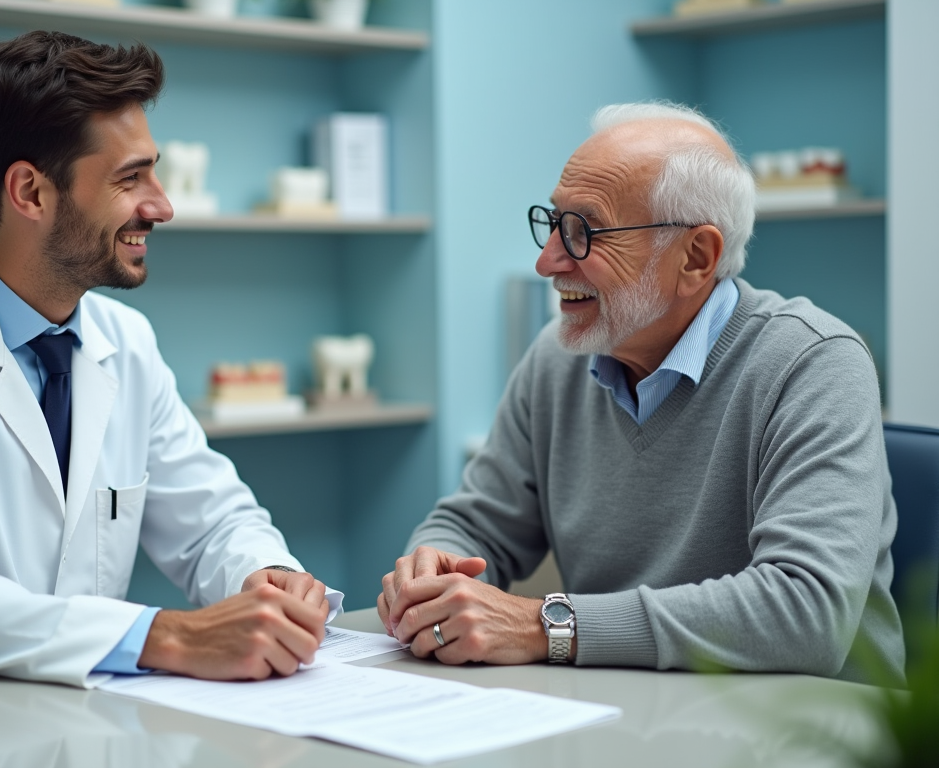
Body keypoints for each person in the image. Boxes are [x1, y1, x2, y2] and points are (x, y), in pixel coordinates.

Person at [0, 31, 339, 692]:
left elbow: (214, 523)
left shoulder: (126, 342)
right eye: (130, 177)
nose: (162, 205)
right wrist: (165, 635)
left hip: (67, 726)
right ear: (29, 192)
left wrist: (267, 578)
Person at [379, 101, 906, 685]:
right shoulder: (556, 358)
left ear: (696, 257)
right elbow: (475, 524)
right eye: (553, 224)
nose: (547, 260)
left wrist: (544, 626)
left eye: (583, 232)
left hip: (813, 730)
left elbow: (807, 612)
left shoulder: (814, 362)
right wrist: (432, 567)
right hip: (633, 710)